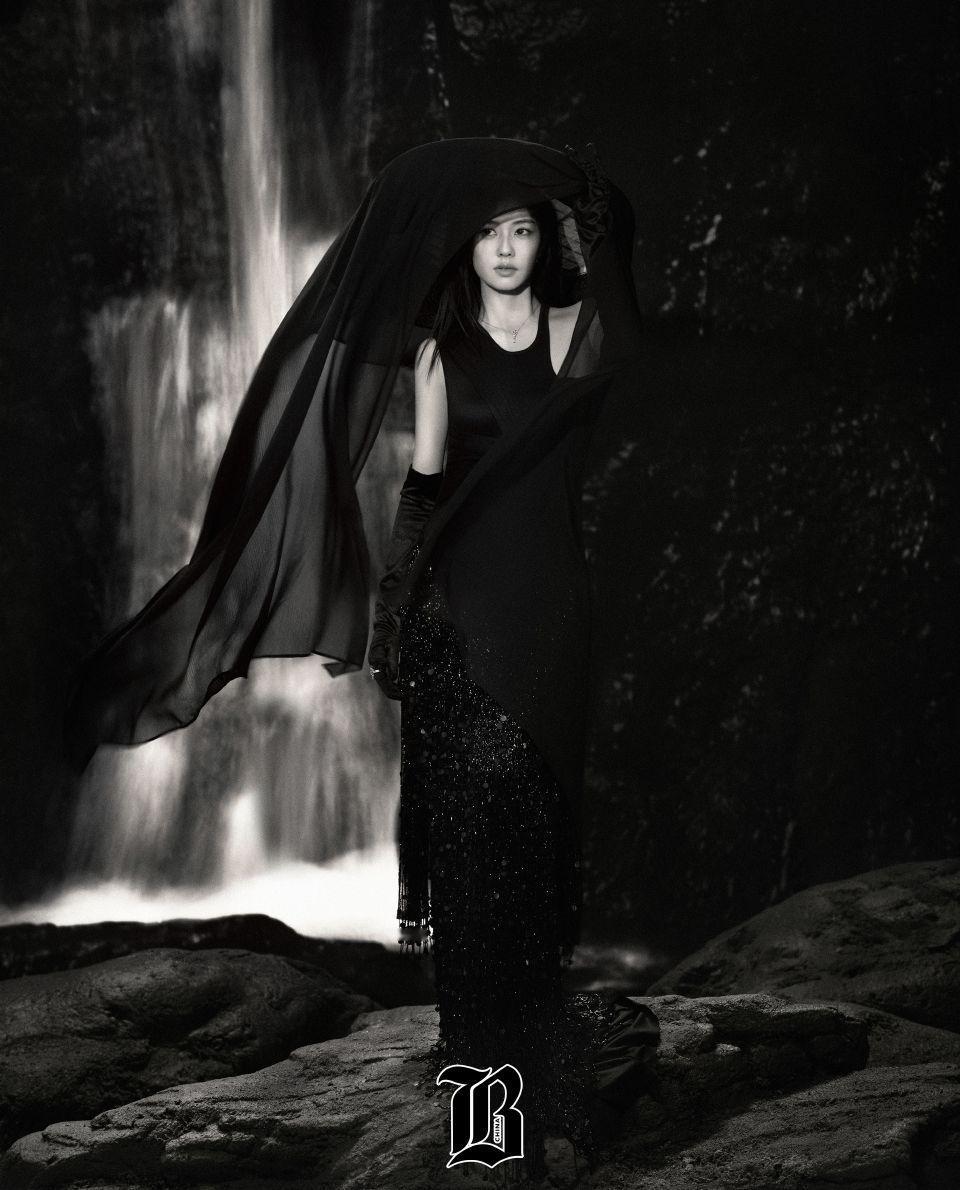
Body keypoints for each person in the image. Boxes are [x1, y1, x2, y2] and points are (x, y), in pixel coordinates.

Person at [63, 137, 659, 1180]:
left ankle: (533, 1073)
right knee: (471, 872)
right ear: (466, 249)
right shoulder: (439, 356)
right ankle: (488, 1133)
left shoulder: (582, 332)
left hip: (553, 619)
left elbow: (621, 274)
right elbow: (420, 495)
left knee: (530, 855)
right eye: (489, 231)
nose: (506, 248)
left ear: (550, 243)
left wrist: (561, 189)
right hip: (456, 623)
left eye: (524, 230)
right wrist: (390, 621)